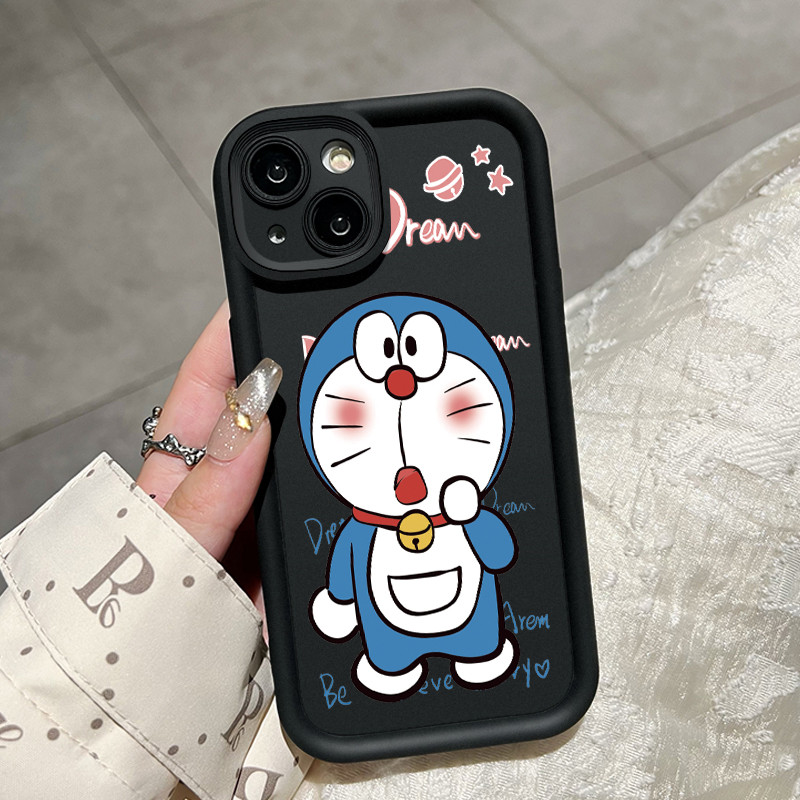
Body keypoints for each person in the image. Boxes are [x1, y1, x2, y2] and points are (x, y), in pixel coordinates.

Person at [2, 126, 800, 800]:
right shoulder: (361, 522)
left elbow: (496, 551)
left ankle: (480, 651)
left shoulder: (460, 502)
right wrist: (334, 606)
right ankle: (396, 663)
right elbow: (351, 568)